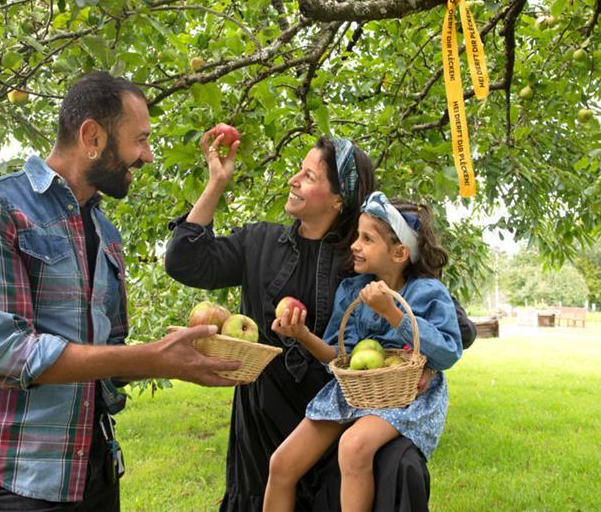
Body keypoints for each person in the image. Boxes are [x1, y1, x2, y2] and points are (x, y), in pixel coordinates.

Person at [0, 71, 240, 511]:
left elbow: (108, 356)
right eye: (140, 140)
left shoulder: (105, 232)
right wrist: (153, 357)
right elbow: (2, 354)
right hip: (9, 477)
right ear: (92, 137)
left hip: (92, 472)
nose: (147, 156)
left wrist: (177, 359)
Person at [165, 132, 439, 511]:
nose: (293, 180)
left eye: (309, 176)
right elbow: (183, 261)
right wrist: (217, 182)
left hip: (337, 429)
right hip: (262, 430)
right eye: (299, 170)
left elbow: (445, 319)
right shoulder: (258, 243)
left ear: (339, 199)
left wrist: (425, 365)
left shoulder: (362, 258)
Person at [264, 192, 463, 512]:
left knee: (354, 446)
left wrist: (392, 313)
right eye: (358, 235)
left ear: (399, 252)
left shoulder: (428, 293)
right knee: (282, 463)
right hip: (355, 391)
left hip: (407, 396)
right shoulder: (352, 290)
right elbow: (338, 359)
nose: (355, 245)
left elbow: (448, 353)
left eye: (367, 239)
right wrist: (302, 335)